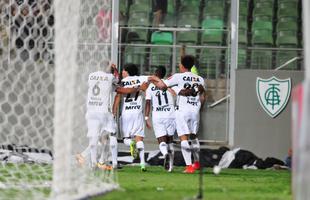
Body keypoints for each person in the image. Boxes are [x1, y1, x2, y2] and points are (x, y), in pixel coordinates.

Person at [154, 55, 206, 173]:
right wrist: (199, 108)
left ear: (182, 65)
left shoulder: (178, 77)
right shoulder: (200, 79)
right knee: (193, 136)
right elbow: (203, 97)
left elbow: (162, 85)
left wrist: (154, 79)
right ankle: (197, 163)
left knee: (183, 137)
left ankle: (189, 166)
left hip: (183, 110)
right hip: (195, 110)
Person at [113, 63, 166, 172]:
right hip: (137, 113)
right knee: (139, 139)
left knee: (126, 139)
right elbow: (152, 77)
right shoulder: (141, 79)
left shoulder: (122, 82)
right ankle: (142, 164)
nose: (122, 72)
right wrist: (159, 82)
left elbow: (118, 96)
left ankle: (130, 143)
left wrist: (114, 112)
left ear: (127, 71)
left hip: (126, 113)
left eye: (123, 70)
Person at [145, 66, 176, 172]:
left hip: (158, 115)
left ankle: (165, 154)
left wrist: (146, 117)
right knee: (170, 141)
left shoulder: (150, 87)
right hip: (170, 114)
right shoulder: (168, 83)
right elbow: (175, 93)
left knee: (162, 142)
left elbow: (148, 103)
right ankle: (170, 167)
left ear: (156, 73)